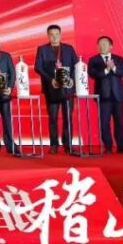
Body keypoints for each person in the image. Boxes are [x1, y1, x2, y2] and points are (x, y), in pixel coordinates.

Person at [34, 24, 77, 154]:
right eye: (51, 34)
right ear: (48, 36)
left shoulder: (69, 49)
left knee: (67, 118)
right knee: (53, 118)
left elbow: (75, 66)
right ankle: (54, 144)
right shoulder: (42, 49)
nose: (54, 37)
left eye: (57, 34)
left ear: (60, 35)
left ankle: (68, 145)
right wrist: (50, 79)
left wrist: (71, 80)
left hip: (67, 89)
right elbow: (38, 67)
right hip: (51, 88)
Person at [87, 36, 123, 154]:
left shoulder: (118, 59)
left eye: (105, 44)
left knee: (119, 122)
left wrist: (114, 68)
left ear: (111, 46)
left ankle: (121, 146)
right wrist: (106, 69)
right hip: (103, 96)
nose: (102, 46)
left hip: (118, 95)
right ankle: (108, 147)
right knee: (104, 122)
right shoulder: (94, 60)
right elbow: (93, 74)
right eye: (100, 44)